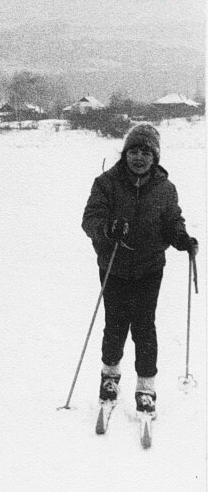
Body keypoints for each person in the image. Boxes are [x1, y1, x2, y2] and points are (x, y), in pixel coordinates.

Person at [82, 123, 198, 418]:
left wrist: (181, 238)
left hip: (149, 268)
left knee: (144, 328)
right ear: (125, 153)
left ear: (154, 157)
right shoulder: (106, 183)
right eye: (133, 151)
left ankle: (146, 389)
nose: (138, 158)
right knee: (116, 325)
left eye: (145, 152)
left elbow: (172, 221)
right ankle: (109, 378)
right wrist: (108, 229)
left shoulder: (164, 188)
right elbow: (90, 219)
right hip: (114, 267)